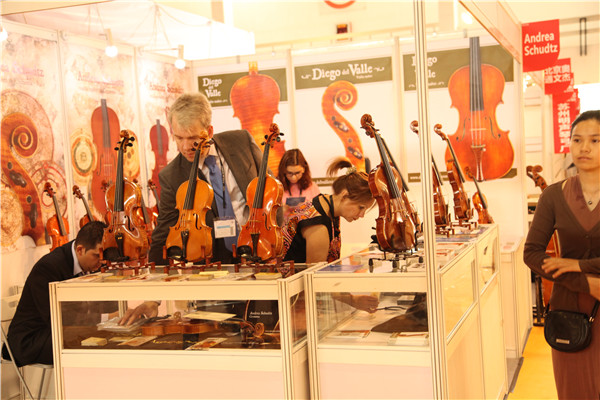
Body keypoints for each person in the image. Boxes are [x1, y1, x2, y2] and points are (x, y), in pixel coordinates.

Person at [523, 110, 600, 399]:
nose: (584, 147)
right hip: (569, 310)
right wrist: (587, 282)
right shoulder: (553, 195)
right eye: (577, 140)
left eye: (595, 140)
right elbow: (532, 254)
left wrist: (577, 264)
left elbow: (565, 263)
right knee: (574, 390)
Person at [148, 92, 265, 265]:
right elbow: (163, 231)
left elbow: (270, 189)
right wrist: (153, 273)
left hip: (259, 249)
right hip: (213, 263)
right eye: (179, 138)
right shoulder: (171, 176)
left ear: (209, 131)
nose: (185, 147)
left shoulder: (241, 142)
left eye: (192, 138)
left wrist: (270, 240)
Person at [2, 221, 111, 366]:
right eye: (96, 255)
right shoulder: (48, 267)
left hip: (59, 330)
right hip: (32, 339)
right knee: (91, 346)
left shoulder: (89, 262)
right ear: (80, 250)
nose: (101, 261)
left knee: (108, 338)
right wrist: (108, 318)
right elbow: (58, 316)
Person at [282, 156, 378, 313]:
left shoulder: (324, 206)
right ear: (344, 196)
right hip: (291, 306)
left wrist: (352, 299)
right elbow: (315, 281)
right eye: (360, 207)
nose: (361, 215)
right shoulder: (318, 225)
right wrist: (352, 300)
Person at [277, 148, 320, 219]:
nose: (293, 177)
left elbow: (319, 212)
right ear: (283, 171)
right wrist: (281, 211)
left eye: (297, 173)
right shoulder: (276, 187)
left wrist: (307, 207)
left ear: (304, 169)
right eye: (289, 173)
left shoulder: (312, 186)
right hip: (283, 224)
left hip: (307, 224)